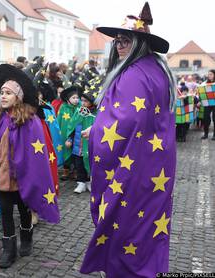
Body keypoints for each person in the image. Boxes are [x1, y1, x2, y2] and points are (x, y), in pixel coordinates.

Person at [79, 3, 176, 277]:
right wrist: (99, 127)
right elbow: (136, 120)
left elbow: (125, 122)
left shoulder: (132, 74)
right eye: (117, 41)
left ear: (140, 43)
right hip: (155, 165)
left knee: (126, 228)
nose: (120, 45)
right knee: (147, 229)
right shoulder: (157, 71)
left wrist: (97, 131)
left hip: (133, 169)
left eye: (126, 40)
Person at [0, 64, 60, 268]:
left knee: (23, 209)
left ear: (18, 97)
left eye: (8, 93)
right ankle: (9, 249)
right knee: (4, 212)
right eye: (2, 92)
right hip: (2, 176)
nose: (3, 96)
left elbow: (34, 155)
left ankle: (27, 237)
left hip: (21, 177)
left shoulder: (30, 122)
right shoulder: (0, 119)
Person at [65, 82, 98, 193]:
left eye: (85, 101)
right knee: (79, 164)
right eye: (82, 100)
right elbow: (72, 125)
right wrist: (70, 138)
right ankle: (81, 183)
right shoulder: (79, 111)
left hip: (90, 144)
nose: (82, 103)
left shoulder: (96, 113)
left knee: (88, 163)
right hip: (78, 145)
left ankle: (89, 181)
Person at [57, 86, 81, 180]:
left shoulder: (80, 107)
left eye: (77, 98)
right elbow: (59, 120)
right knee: (66, 150)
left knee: (75, 151)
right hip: (64, 133)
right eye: (73, 98)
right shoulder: (63, 107)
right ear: (68, 99)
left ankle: (75, 170)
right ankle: (66, 170)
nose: (76, 100)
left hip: (76, 134)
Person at [199, 69, 215, 139]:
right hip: (207, 103)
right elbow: (201, 93)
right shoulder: (204, 83)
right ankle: (206, 134)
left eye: (211, 74)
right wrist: (200, 101)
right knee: (206, 119)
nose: (209, 76)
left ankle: (214, 135)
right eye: (208, 74)